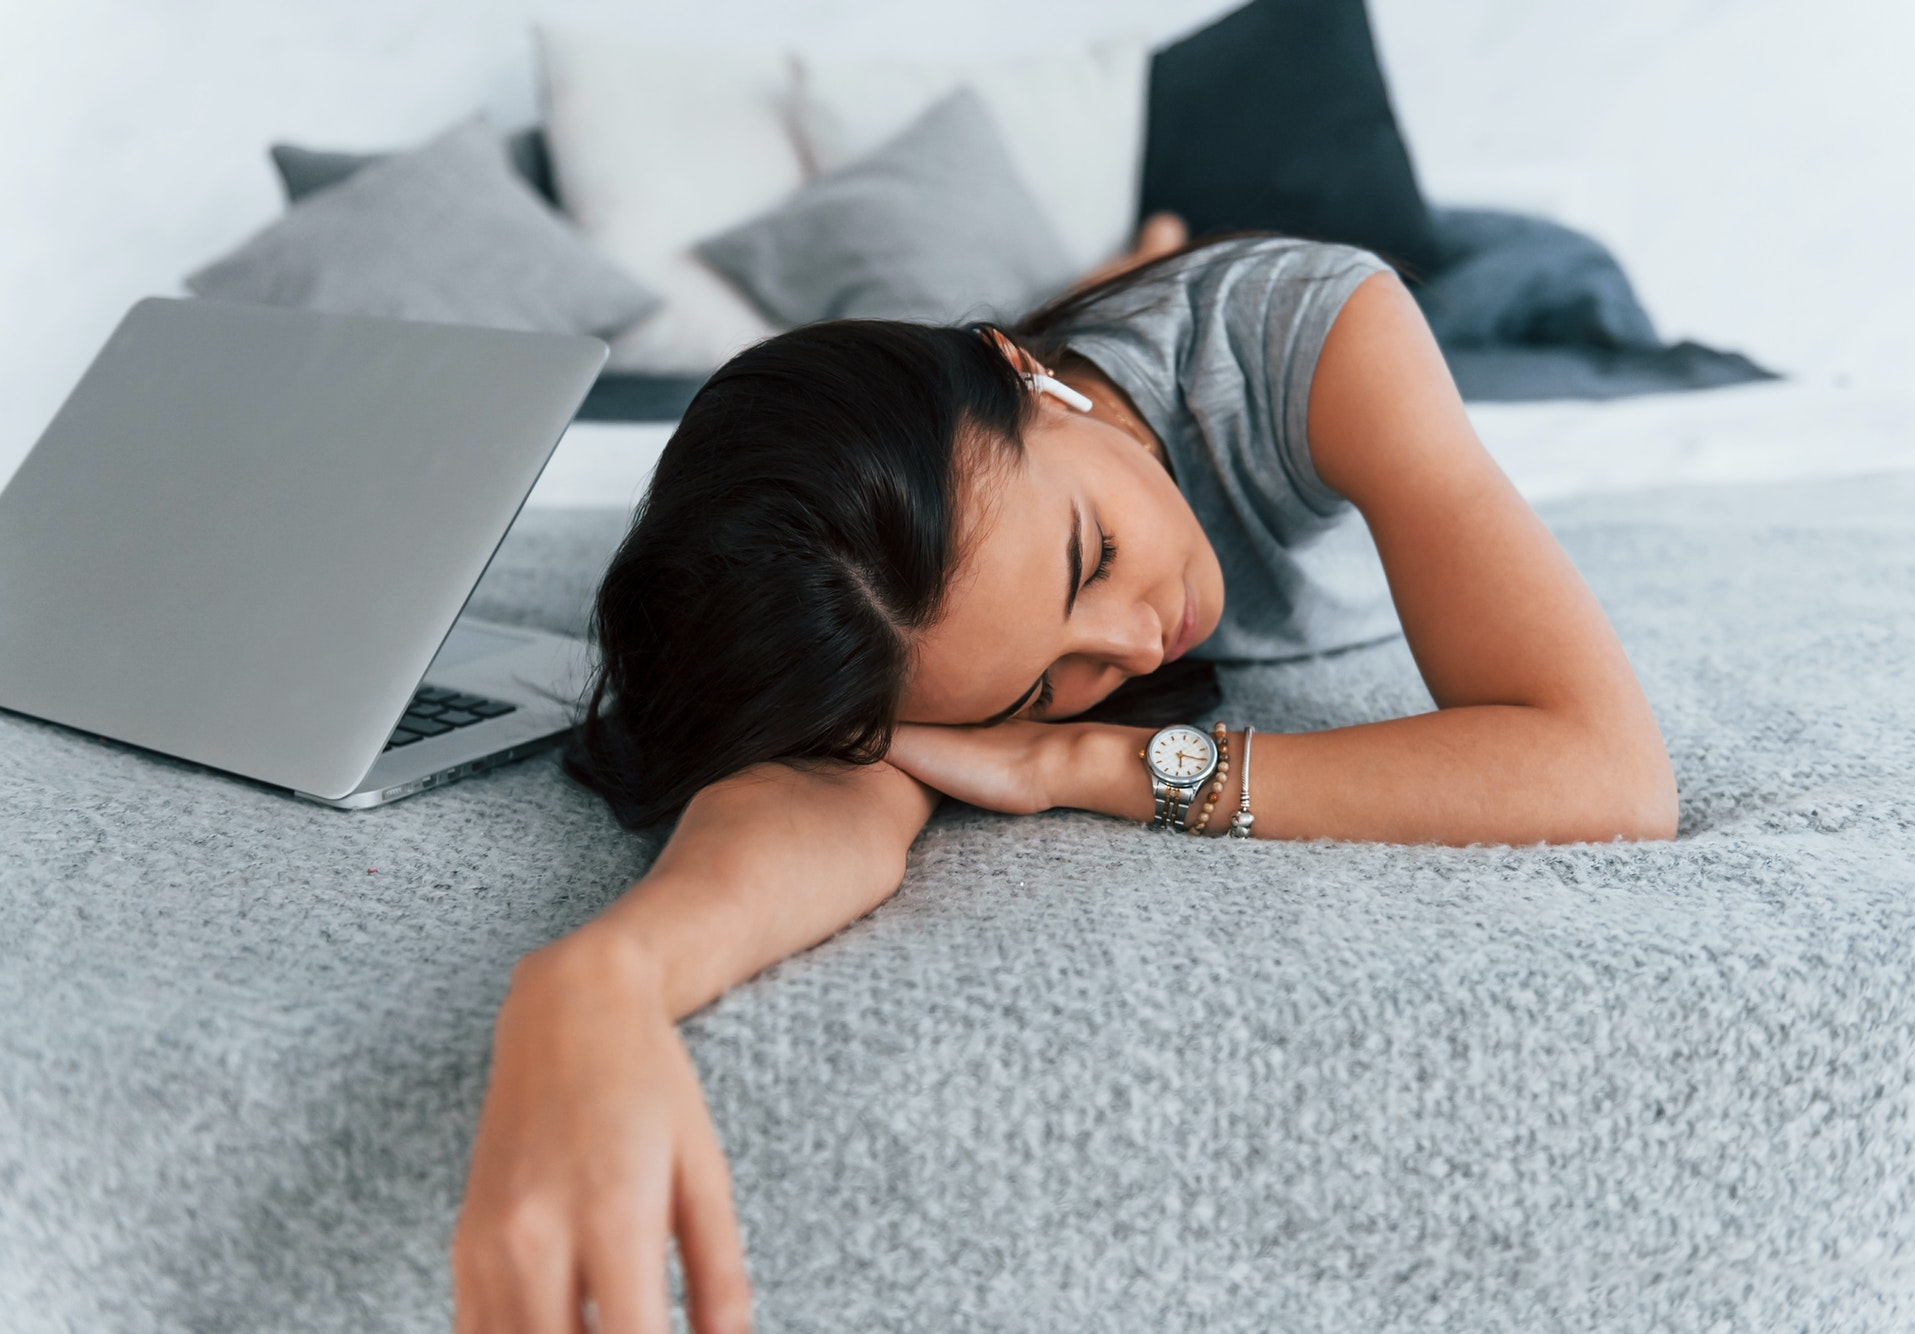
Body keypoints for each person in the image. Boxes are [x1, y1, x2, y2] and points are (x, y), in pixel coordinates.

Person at [449, 213, 1681, 1333]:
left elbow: (1606, 770)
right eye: (1043, 682)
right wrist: (601, 980)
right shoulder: (892, 586)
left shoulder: (1321, 335)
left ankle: (1139, 249)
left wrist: (1086, 752)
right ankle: (1112, 269)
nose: (1138, 643)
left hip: (1253, 297)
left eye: (1092, 559)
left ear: (1034, 384)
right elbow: (821, 792)